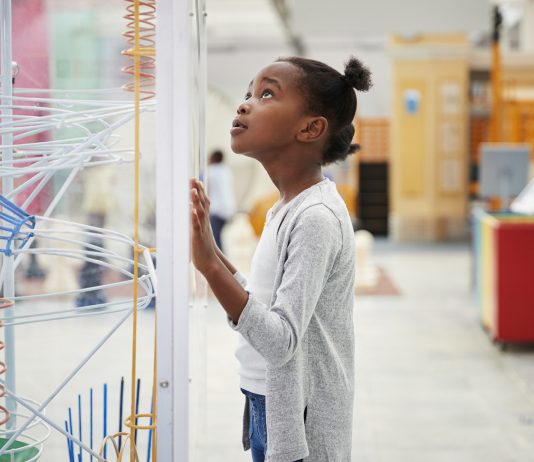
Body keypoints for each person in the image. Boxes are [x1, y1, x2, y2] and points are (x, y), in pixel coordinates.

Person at [190, 56, 372, 462]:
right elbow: (265, 301)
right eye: (248, 93)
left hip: (302, 428)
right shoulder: (286, 207)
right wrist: (209, 250)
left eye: (266, 93)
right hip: (268, 405)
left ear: (310, 128)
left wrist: (208, 266)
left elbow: (280, 341)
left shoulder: (316, 219)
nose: (245, 104)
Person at [206, 149, 236, 251]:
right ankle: (222, 257)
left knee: (215, 238)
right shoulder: (227, 171)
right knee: (219, 237)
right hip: (229, 208)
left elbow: (206, 190)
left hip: (216, 209)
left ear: (212, 159)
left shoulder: (210, 172)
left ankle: (219, 260)